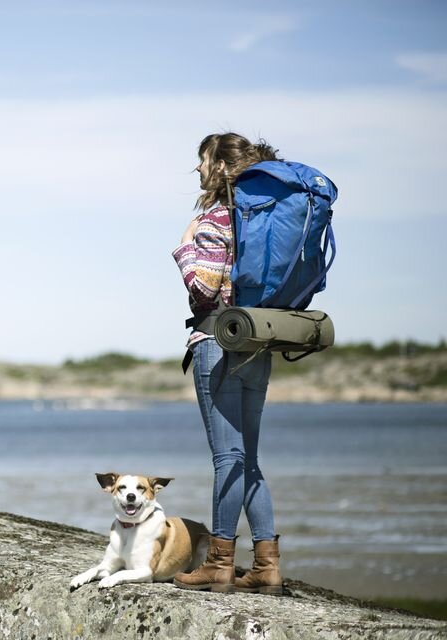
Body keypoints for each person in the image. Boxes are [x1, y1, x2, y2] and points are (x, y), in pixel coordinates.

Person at [169, 132, 284, 595]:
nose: (196, 170)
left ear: (218, 167)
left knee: (227, 458)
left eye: (201, 161)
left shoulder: (217, 218)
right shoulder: (261, 218)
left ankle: (219, 562)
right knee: (248, 460)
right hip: (258, 341)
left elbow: (205, 289)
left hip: (219, 341)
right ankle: (267, 564)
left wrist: (184, 248)